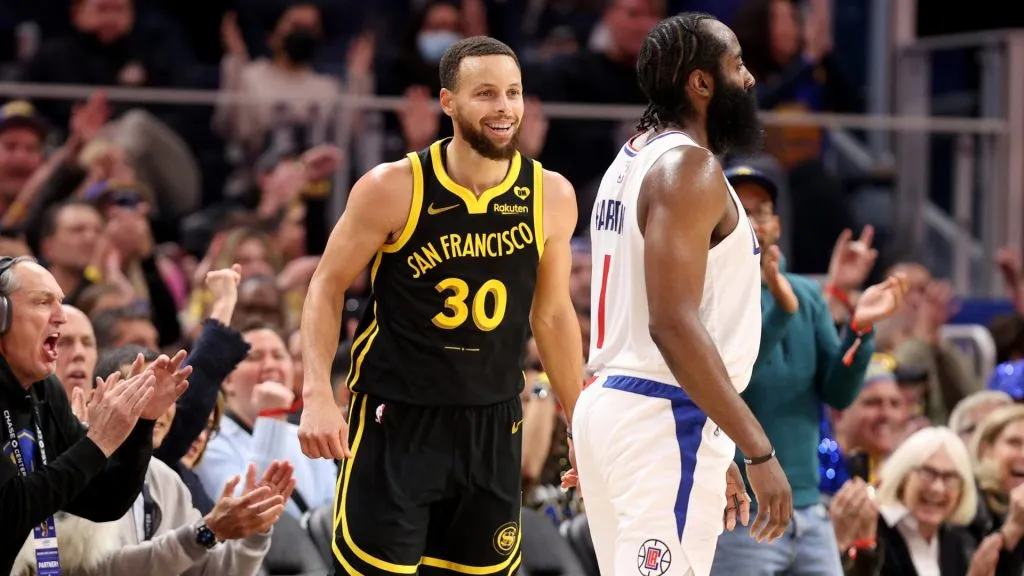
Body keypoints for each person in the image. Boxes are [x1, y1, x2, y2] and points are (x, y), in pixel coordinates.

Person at [298, 35, 583, 575]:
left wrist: (582, 422)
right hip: (398, 419)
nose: (504, 107)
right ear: (448, 102)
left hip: (494, 424)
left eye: (514, 93)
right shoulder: (393, 187)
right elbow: (325, 285)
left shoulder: (551, 195)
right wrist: (315, 393)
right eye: (486, 94)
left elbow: (552, 316)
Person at [565, 13, 793, 576]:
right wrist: (757, 448)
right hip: (662, 416)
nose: (750, 79)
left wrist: (716, 443)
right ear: (701, 82)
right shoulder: (688, 169)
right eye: (737, 64)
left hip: (635, 410)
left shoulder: (633, 158)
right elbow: (672, 323)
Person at [710, 165, 907, 576]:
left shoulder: (806, 294)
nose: (751, 222)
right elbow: (731, 383)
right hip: (741, 515)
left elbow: (838, 392)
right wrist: (781, 309)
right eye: (738, 210)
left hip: (811, 511)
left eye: (761, 211)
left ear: (776, 224)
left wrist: (860, 327)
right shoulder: (704, 295)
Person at [0, 255, 190, 574]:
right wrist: (99, 441)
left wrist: (142, 422)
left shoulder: (46, 391)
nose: (61, 316)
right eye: (44, 302)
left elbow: (106, 500)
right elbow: (10, 512)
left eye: (60, 302)